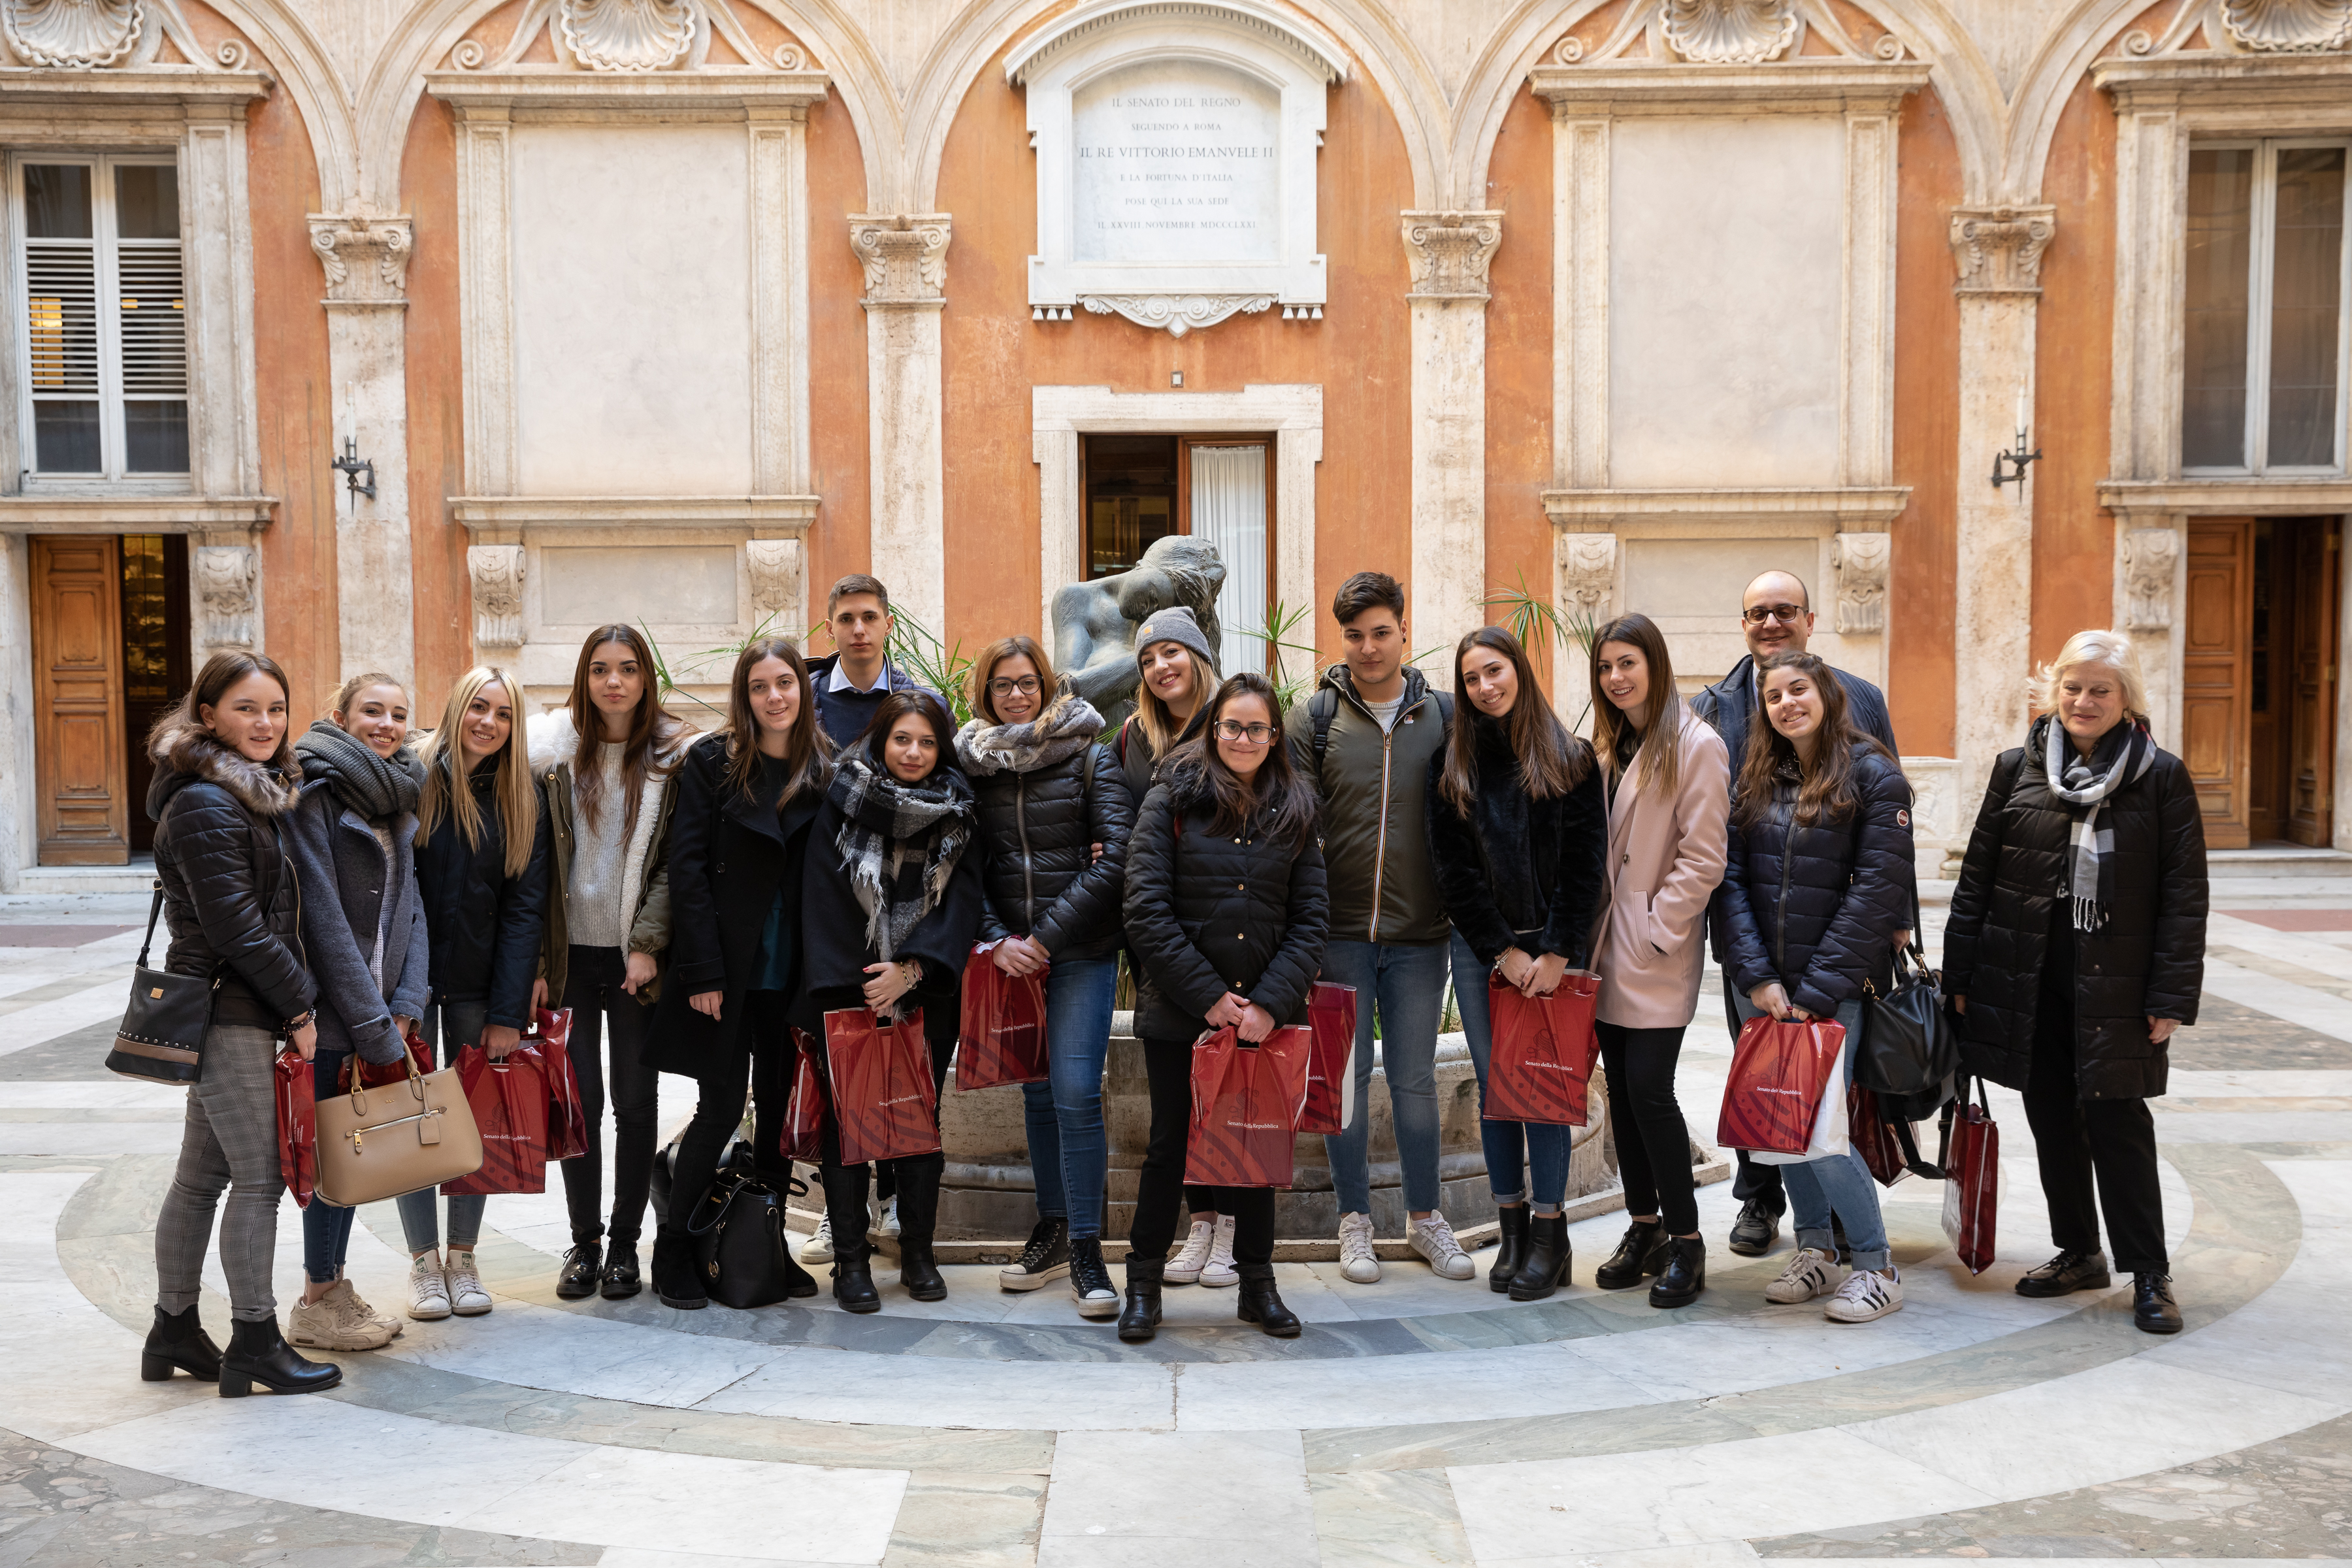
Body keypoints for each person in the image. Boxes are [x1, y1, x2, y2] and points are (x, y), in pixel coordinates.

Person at [1943, 630, 2207, 1335]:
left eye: (2100, 689)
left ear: (2127, 701)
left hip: (2117, 982)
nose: (2083, 701)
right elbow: (1978, 879)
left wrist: (2171, 997)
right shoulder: (2017, 768)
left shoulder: (2161, 777)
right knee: (2052, 1114)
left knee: (2119, 1120)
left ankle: (2149, 1271)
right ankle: (2079, 1250)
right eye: (2072, 686)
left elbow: (2184, 895)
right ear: (2052, 690)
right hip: (2028, 975)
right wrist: (1962, 976)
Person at [1691, 570, 1908, 1259]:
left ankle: (1865, 1252)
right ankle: (1791, 1229)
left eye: (1784, 610)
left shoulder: (1866, 728)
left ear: (1810, 622)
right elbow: (1724, 862)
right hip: (1761, 970)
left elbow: (1883, 869)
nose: (1771, 621)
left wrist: (1828, 982)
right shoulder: (1719, 716)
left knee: (1824, 1116)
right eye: (1757, 612)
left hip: (1832, 972)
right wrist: (1752, 972)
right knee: (1775, 1109)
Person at [143, 652, 340, 1397]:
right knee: (259, 1180)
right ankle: (254, 1339)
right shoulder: (206, 803)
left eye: (277, 709)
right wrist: (299, 1008)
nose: (266, 723)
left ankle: (171, 1328)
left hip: (234, 1004)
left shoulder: (245, 795)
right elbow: (239, 929)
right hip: (233, 1009)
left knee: (200, 1179)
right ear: (209, 717)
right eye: (247, 708)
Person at [1119, 673, 1329, 1341]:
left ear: (1274, 738)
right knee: (1168, 1146)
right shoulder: (1171, 798)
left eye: (1258, 729)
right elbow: (1144, 909)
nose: (1244, 739)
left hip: (1263, 1018)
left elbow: (1312, 918)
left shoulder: (1296, 805)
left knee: (1253, 1150)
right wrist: (1211, 998)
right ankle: (1144, 1284)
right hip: (1183, 1012)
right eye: (1233, 726)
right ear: (1214, 730)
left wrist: (1267, 1004)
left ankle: (1256, 1285)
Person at [1290, 571, 1469, 1284]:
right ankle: (1355, 1221)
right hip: (1337, 934)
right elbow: (1295, 825)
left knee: (1416, 1079)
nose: (1369, 648)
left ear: (1403, 629)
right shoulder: (1317, 719)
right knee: (1344, 1079)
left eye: (1381, 633)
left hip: (1422, 932)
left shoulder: (1446, 716)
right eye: (1355, 636)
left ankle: (1427, 1219)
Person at [646, 638, 831, 1310]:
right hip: (728, 967)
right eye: (761, 686)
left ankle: (765, 1241)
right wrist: (700, 970)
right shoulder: (712, 762)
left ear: (802, 692)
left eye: (786, 683)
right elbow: (687, 868)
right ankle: (672, 1251)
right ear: (744, 696)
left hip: (794, 971)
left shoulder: (824, 766)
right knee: (720, 1108)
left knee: (780, 1117)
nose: (775, 696)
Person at [1425, 627, 1607, 1301]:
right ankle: (1511, 1229)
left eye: (1494, 671)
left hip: (1555, 957)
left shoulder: (1573, 759)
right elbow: (1455, 873)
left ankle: (1551, 1235)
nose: (1485, 687)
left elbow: (1587, 867)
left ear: (1519, 673)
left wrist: (1556, 950)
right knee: (1499, 1094)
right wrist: (1502, 950)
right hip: (1485, 957)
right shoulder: (1451, 767)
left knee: (1547, 1095)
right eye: (1471, 679)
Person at [956, 638, 1134, 1318]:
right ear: (987, 694)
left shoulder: (1091, 756)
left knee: (1075, 1092)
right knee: (1035, 1093)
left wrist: (1044, 937)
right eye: (1003, 685)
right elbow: (960, 865)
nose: (1017, 696)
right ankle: (1053, 1228)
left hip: (1080, 951)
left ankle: (1089, 1246)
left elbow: (1115, 857)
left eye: (1028, 682)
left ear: (1050, 685)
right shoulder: (973, 767)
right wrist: (1000, 940)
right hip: (1012, 957)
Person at [792, 689, 983, 1313]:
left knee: (918, 1123)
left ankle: (919, 1254)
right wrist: (864, 985)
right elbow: (820, 899)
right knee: (849, 1128)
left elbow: (963, 905)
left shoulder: (958, 808)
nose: (914, 752)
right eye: (902, 739)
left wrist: (913, 969)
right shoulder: (842, 801)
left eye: (928, 742)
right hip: (848, 992)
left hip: (924, 993)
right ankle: (851, 1260)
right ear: (881, 740)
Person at [527, 625, 693, 1301]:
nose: (614, 682)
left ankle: (627, 1244)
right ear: (584, 678)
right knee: (580, 1105)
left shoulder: (674, 759)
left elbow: (673, 866)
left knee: (634, 1100)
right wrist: (540, 960)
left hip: (634, 960)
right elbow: (533, 869)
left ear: (645, 678)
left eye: (627, 668)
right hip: (572, 958)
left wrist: (649, 946)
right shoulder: (553, 757)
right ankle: (585, 1243)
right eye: (600, 669)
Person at [398, 666, 552, 1320]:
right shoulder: (413, 781)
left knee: (471, 1121)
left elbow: (526, 911)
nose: (488, 723)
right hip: (405, 983)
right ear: (457, 707)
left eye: (504, 714)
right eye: (478, 708)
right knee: (409, 1121)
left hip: (477, 985)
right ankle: (423, 1265)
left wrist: (507, 1012)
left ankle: (463, 1257)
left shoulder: (524, 796)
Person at [798, 573, 945, 1257]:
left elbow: (955, 816)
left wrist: (917, 961)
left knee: (906, 1086)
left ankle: (893, 1209)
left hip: (912, 924)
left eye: (870, 617)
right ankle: (842, 1211)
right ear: (831, 628)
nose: (859, 629)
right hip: (834, 905)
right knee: (846, 1085)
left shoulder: (920, 704)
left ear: (889, 624)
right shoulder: (805, 699)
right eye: (846, 618)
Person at [284, 674, 430, 1354]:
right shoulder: (313, 793)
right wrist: (375, 1023)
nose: (388, 723)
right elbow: (322, 916)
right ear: (338, 716)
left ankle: (334, 1290)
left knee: (354, 1162)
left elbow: (413, 909)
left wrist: (407, 1004)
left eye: (400, 714)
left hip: (382, 1016)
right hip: (334, 1019)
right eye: (373, 710)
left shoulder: (399, 796)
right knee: (330, 1166)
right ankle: (317, 1297)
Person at [1588, 613, 1729, 1309]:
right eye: (1607, 667)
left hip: (1652, 948)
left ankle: (1688, 1242)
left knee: (1650, 1091)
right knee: (1620, 1097)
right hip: (1610, 948)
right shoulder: (1617, 742)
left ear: (1656, 664)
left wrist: (1654, 927)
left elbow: (1705, 858)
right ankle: (1642, 1228)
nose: (1616, 678)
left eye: (1628, 664)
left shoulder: (1696, 743)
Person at [1105, 605, 1237, 1287]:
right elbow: (1124, 834)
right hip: (1163, 937)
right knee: (1179, 1104)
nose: (1161, 667)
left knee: (1231, 1096)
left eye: (1172, 653)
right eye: (1149, 658)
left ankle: (1231, 1230)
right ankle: (1202, 1223)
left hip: (1235, 931)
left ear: (1198, 657)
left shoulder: (1236, 721)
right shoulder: (1133, 739)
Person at [1054, 535, 1229, 727]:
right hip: (1096, 751)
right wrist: (1155, 659)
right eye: (1153, 596)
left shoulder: (1190, 622)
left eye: (1163, 611)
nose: (1149, 613)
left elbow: (1212, 698)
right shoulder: (1078, 598)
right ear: (1141, 565)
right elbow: (1063, 694)